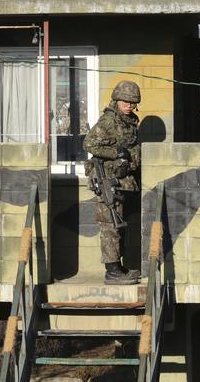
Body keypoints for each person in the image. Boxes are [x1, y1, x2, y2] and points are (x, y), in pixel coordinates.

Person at [83, 80, 141, 285]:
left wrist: (129, 161)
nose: (129, 105)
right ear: (116, 100)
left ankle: (118, 266)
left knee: (120, 225)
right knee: (110, 225)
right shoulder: (108, 121)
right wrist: (116, 153)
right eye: (125, 101)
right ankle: (112, 271)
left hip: (122, 180)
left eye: (133, 102)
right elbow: (89, 144)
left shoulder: (130, 121)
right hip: (107, 181)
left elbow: (133, 147)